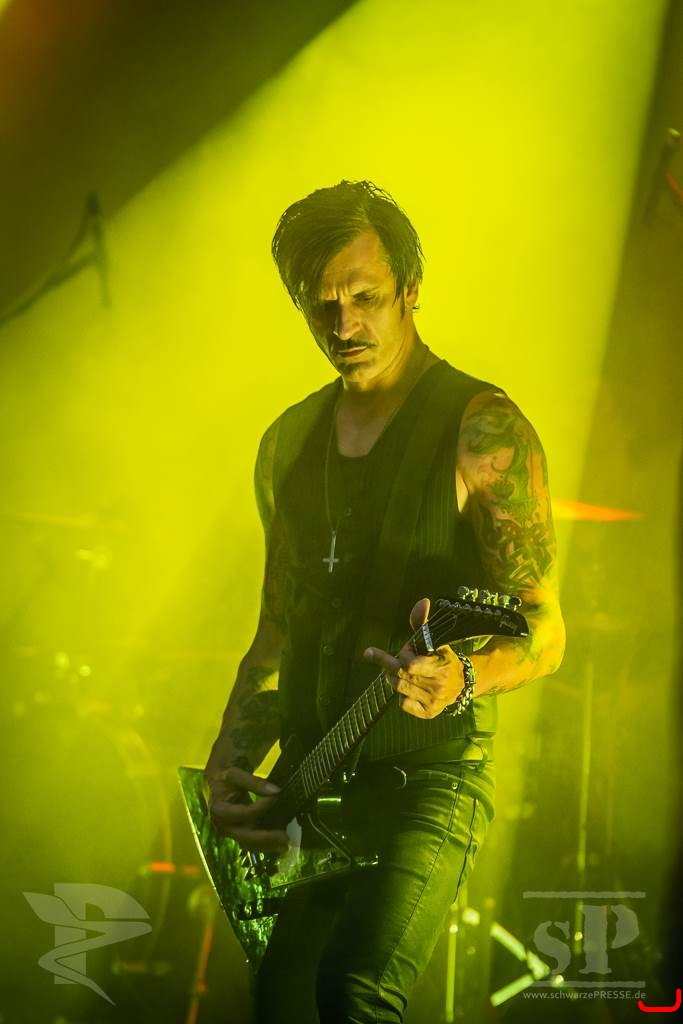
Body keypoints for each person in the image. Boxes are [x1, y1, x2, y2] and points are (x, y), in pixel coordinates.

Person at [204, 180, 565, 1023]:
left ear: (410, 289)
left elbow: (545, 630)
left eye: (364, 297)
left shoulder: (482, 429)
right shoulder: (287, 442)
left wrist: (464, 677)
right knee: (281, 1004)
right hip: (310, 779)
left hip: (426, 782)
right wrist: (227, 764)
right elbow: (278, 626)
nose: (343, 325)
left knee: (356, 992)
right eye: (321, 305)